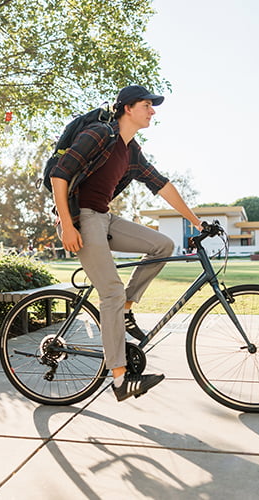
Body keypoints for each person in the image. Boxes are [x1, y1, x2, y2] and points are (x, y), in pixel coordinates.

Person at [50, 85, 202, 402]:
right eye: (147, 105)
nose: (153, 111)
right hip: (83, 218)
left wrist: (196, 220)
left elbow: (162, 185)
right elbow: (59, 174)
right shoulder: (98, 134)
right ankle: (120, 380)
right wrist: (66, 224)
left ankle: (127, 309)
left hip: (104, 218)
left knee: (162, 245)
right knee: (111, 292)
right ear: (128, 108)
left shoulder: (131, 151)